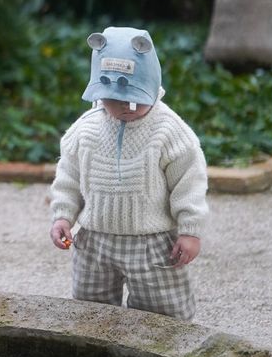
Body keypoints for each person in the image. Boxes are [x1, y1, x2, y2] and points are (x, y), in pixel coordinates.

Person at [48, 26, 207, 321]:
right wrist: (63, 216)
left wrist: (190, 230)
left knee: (163, 316)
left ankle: (160, 348)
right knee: (90, 314)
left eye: (135, 99)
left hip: (152, 243)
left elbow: (189, 183)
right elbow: (68, 177)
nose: (127, 107)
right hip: (94, 241)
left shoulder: (169, 131)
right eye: (115, 99)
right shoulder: (85, 129)